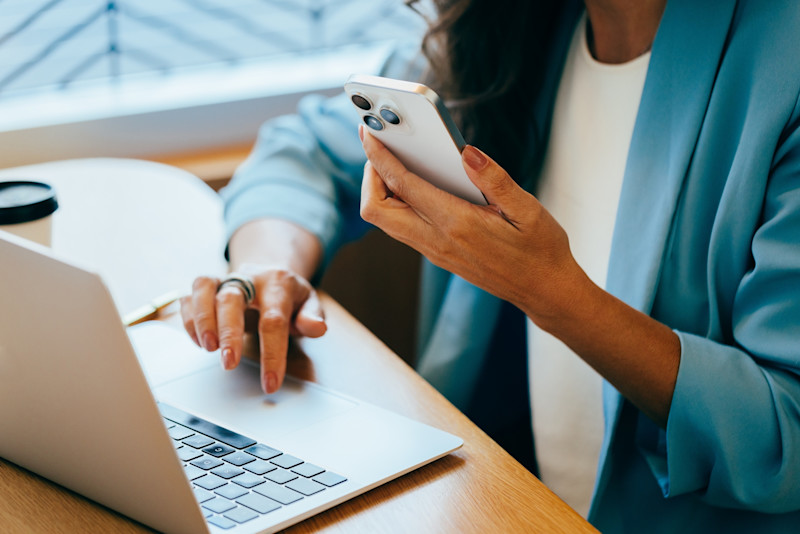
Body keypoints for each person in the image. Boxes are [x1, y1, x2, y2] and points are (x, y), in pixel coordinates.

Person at [180, 0, 800, 531]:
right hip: (487, 501)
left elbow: (785, 434)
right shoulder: (507, 26)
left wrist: (551, 292)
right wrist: (270, 263)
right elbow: (305, 150)